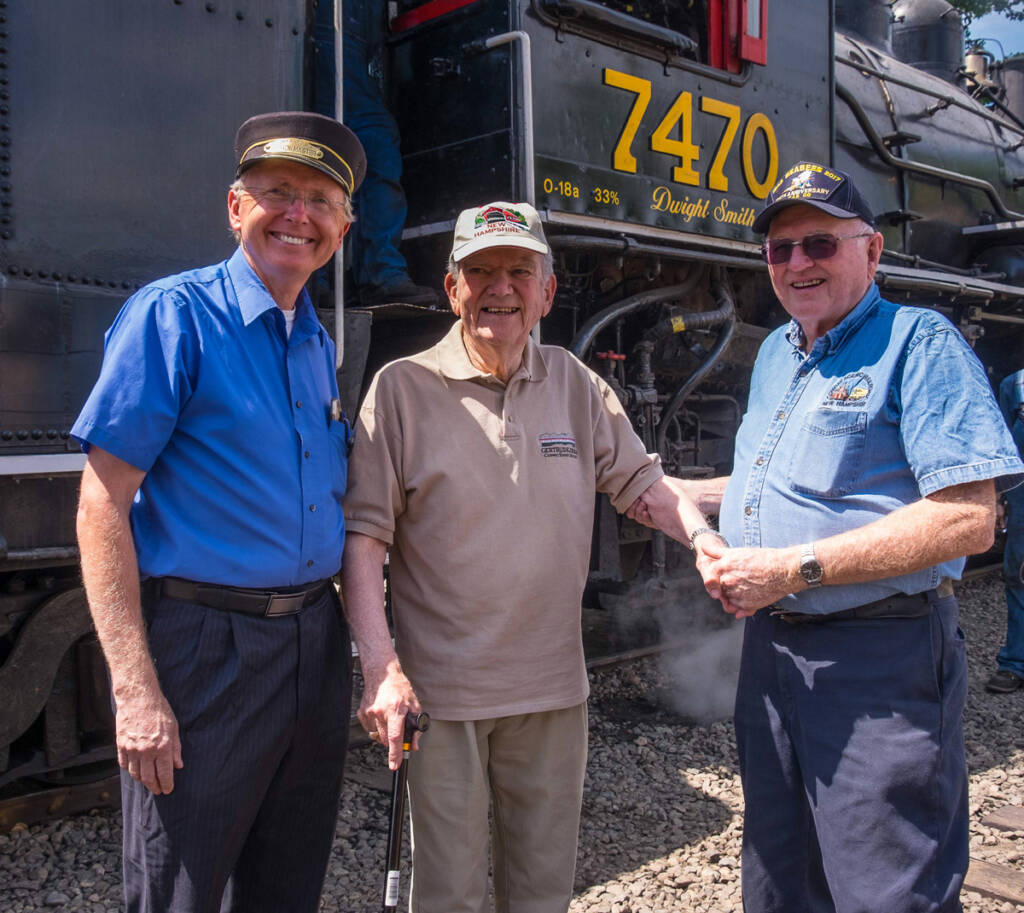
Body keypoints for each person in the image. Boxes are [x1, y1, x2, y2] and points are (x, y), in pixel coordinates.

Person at [640, 161, 1024, 913]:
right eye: (779, 252)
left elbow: (968, 516)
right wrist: (683, 494)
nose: (797, 264)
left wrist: (794, 567)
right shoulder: (781, 353)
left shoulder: (922, 343)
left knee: (885, 888)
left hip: (878, 659)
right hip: (774, 658)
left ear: (872, 252)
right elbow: (783, 485)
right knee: (781, 881)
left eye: (819, 244)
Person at [340, 201, 714, 913]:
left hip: (551, 694)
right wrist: (380, 668)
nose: (499, 287)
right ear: (453, 289)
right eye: (480, 270)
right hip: (442, 701)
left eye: (519, 270)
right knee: (446, 894)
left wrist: (702, 538)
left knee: (541, 893)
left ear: (546, 290)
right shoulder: (400, 390)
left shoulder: (577, 384)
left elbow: (643, 487)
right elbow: (364, 539)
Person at [73, 112, 365, 913]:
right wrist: (136, 692)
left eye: (319, 199)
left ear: (343, 225)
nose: (297, 215)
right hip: (207, 648)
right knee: (185, 891)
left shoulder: (312, 339)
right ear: (236, 207)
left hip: (311, 641)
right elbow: (101, 504)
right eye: (277, 193)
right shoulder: (173, 317)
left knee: (284, 886)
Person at [986, 368, 1024, 693]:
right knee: (1019, 578)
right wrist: (998, 497)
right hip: (1023, 501)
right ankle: (1015, 664)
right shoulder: (1015, 385)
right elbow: (1003, 448)